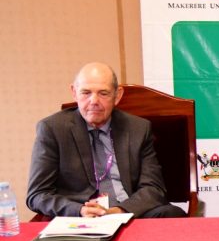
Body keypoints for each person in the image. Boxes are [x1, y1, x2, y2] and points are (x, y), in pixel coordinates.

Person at [26, 62, 186, 218]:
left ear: (117, 96)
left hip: (128, 212)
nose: (94, 101)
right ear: (74, 92)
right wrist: (79, 210)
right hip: (80, 218)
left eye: (103, 93)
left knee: (172, 214)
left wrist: (118, 211)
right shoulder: (52, 129)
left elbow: (153, 188)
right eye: (86, 92)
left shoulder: (138, 128)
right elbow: (38, 194)